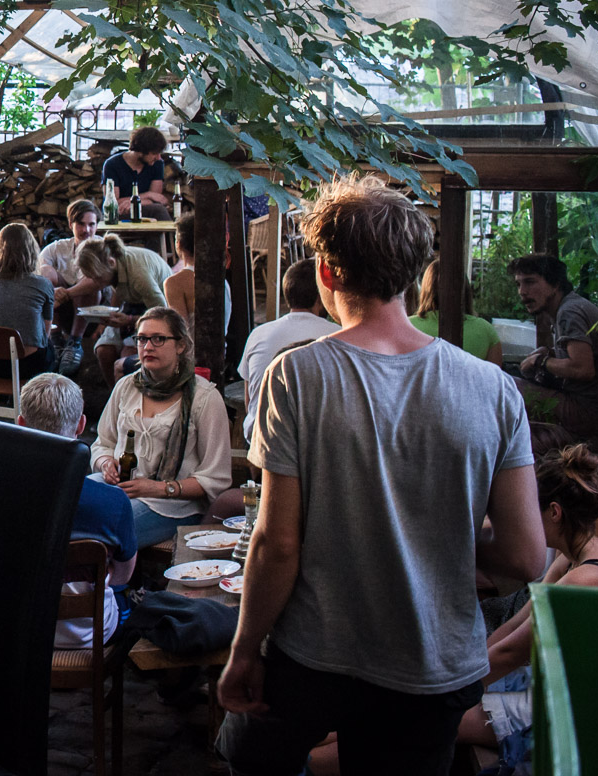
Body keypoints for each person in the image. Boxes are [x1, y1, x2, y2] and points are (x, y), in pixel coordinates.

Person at [217, 175, 544, 776]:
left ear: (327, 273)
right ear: (412, 270)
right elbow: (526, 558)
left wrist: (243, 651)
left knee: (246, 755)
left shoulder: (297, 377)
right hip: (435, 665)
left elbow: (277, 542)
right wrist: (437, 545)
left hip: (315, 656)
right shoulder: (494, 389)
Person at [448, 444, 598, 776]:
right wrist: (463, 668)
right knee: (407, 714)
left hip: (568, 711)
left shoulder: (587, 579)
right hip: (542, 687)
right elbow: (517, 623)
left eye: (531, 514)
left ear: (554, 512)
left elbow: (514, 651)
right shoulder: (572, 557)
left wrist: (452, 690)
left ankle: (314, 763)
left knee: (433, 723)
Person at [92, 307, 231, 550]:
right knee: (70, 505)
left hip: (172, 506)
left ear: (181, 346)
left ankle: (113, 585)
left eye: (158, 339)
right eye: (142, 339)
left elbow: (215, 478)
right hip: (121, 489)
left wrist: (158, 488)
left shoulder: (204, 398)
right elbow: (103, 442)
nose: (147, 346)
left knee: (105, 530)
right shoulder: (127, 386)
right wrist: (106, 464)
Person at [19, 373, 137, 649]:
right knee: (126, 599)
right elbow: (122, 576)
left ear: (21, 423)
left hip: (16, 633)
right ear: (81, 425)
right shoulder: (114, 501)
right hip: (88, 637)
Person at [508, 253, 598, 441]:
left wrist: (542, 361)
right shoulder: (569, 307)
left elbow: (583, 369)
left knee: (506, 385)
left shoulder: (569, 312)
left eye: (530, 282)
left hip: (591, 415)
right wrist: (550, 354)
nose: (522, 291)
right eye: (518, 284)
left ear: (555, 284)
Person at [236, 258, 337, 442]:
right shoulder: (337, 335)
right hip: (310, 442)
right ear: (320, 297)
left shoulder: (258, 334)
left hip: (258, 435)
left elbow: (250, 400)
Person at [76, 234, 172, 376]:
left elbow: (162, 315)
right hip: (132, 304)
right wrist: (107, 319)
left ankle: (130, 394)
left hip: (155, 310)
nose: (95, 283)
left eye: (98, 278)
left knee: (127, 356)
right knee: (103, 351)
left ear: (111, 263)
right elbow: (119, 289)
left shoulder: (140, 276)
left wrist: (129, 320)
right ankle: (114, 395)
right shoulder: (112, 267)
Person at [0, 223, 56, 382]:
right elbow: (45, 335)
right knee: (52, 349)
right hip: (28, 366)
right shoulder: (43, 284)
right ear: (32, 250)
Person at [410, 260, 500, 365]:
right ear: (465, 288)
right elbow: (494, 378)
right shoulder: (487, 331)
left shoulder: (407, 326)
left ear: (426, 289)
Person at [162, 212, 231, 333]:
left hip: (194, 351)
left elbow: (181, 333)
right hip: (222, 350)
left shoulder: (175, 283)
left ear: (179, 244)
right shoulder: (221, 277)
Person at [39, 199, 105, 319]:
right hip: (59, 304)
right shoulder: (58, 247)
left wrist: (68, 294)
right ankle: (54, 333)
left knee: (93, 281)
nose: (86, 230)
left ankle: (76, 337)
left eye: (91, 224)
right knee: (45, 271)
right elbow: (39, 271)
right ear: (71, 224)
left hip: (93, 305)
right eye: (81, 224)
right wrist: (55, 291)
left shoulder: (103, 247)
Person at [100, 126, 176, 221]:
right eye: (154, 153)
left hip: (143, 209)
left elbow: (156, 199)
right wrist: (147, 195)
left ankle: (170, 235)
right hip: (118, 212)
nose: (158, 157)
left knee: (159, 209)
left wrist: (133, 201)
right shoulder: (112, 164)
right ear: (141, 151)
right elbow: (113, 202)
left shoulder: (157, 164)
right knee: (158, 210)